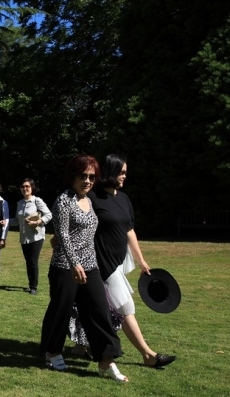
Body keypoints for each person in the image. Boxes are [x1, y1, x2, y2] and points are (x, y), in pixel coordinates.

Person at [70, 154, 176, 368]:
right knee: (124, 306)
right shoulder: (93, 197)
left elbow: (129, 230)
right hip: (101, 262)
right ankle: (148, 355)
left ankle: (81, 346)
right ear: (110, 172)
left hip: (118, 261)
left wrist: (141, 260)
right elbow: (78, 225)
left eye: (125, 172)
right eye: (121, 172)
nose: (124, 176)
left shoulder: (124, 199)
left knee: (98, 306)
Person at [40, 154, 128, 382]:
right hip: (65, 266)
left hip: (90, 266)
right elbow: (63, 235)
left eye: (92, 177)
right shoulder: (63, 200)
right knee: (60, 311)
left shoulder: (90, 200)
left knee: (100, 311)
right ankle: (52, 352)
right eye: (83, 176)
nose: (87, 181)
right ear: (72, 176)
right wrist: (74, 263)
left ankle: (106, 360)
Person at [15, 178, 52, 295]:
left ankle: (34, 287)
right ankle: (30, 284)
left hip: (36, 237)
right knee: (28, 261)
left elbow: (49, 214)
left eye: (27, 186)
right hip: (24, 237)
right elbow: (17, 220)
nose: (25, 188)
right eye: (22, 186)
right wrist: (5, 221)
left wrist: (38, 222)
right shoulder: (20, 203)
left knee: (33, 261)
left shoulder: (37, 200)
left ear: (32, 188)